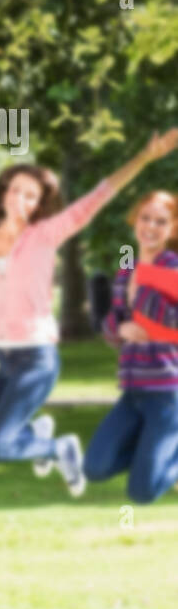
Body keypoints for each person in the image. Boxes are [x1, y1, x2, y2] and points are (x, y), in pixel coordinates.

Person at [0, 130, 178, 494]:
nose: (21, 199)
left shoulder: (47, 234)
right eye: (16, 190)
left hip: (34, 358)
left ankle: (57, 447)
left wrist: (144, 157)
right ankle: (35, 433)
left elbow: (99, 196)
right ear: (3, 193)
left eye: (32, 195)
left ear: (38, 204)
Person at [84, 190, 178, 503]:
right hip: (133, 389)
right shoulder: (127, 269)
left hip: (167, 392)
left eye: (161, 221)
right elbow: (112, 325)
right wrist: (120, 327)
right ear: (135, 220)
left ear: (173, 228)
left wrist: (144, 297)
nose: (151, 226)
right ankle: (148, 455)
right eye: (145, 218)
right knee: (95, 468)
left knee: (142, 493)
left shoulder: (172, 268)